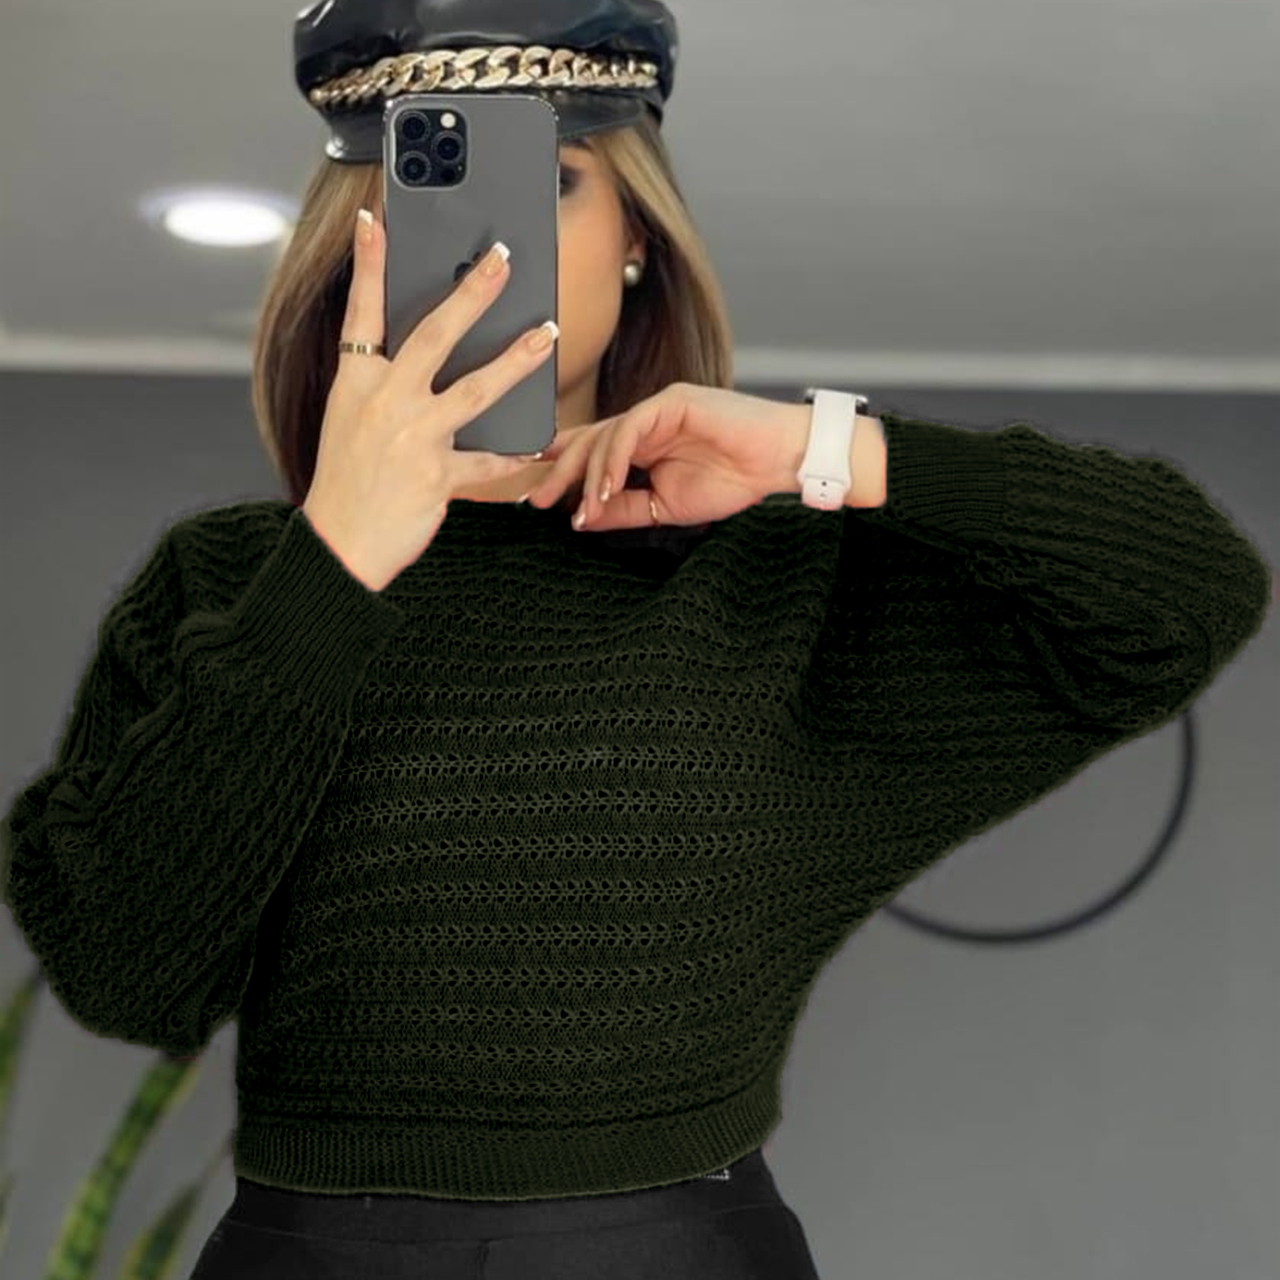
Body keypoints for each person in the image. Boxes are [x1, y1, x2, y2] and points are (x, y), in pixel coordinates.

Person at [2, 0, 1271, 1277]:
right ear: (356, 240)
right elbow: (122, 970)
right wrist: (330, 569)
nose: (491, 245)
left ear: (635, 240)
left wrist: (817, 446)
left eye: (550, 178)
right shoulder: (230, 580)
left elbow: (1183, 590)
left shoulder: (768, 576)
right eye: (426, 178)